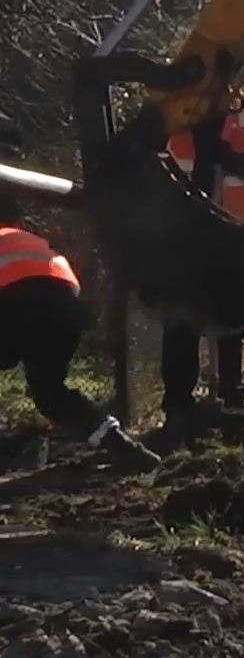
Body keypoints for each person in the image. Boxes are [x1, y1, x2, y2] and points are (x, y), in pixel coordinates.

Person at [0, 124, 160, 470]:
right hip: (66, 303)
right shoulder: (19, 236)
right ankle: (120, 444)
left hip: (19, 301)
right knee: (50, 391)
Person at [159, 96, 244, 429]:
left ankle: (232, 395)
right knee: (181, 321)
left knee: (233, 317)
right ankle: (179, 405)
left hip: (234, 235)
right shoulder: (173, 111)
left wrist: (232, 160)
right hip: (184, 237)